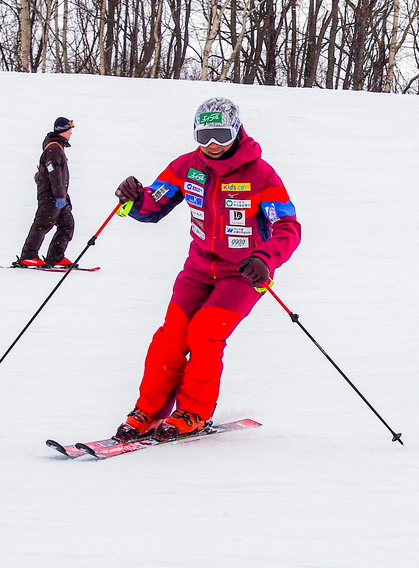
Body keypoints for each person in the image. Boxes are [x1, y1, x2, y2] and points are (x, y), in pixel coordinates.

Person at [112, 97, 300, 441]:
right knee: (171, 336)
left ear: (237, 130)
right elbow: (153, 206)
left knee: (205, 334)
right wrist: (134, 197)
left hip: (243, 275)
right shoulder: (187, 166)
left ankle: (193, 412)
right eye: (204, 136)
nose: (213, 145)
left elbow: (288, 226)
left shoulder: (261, 174)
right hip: (197, 269)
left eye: (221, 135)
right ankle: (148, 412)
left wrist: (265, 258)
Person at [15, 117, 76, 268]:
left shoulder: (57, 148)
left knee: (67, 224)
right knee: (42, 224)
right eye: (69, 129)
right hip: (51, 196)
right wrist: (59, 196)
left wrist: (64, 197)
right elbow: (53, 173)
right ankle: (28, 256)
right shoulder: (53, 149)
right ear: (62, 130)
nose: (71, 133)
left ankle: (55, 257)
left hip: (59, 195)